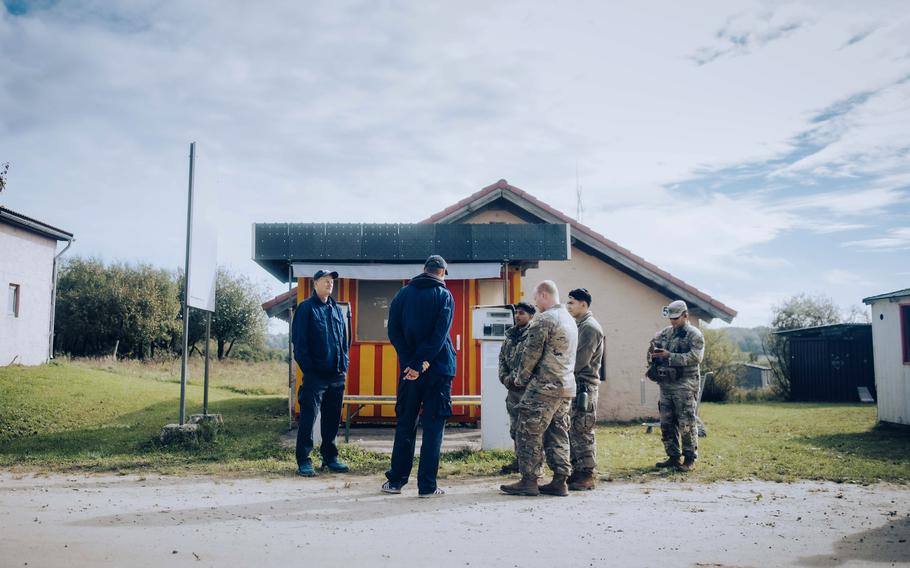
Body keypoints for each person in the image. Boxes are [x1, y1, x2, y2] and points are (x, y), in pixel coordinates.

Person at [382, 255, 457, 498]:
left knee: (406, 424)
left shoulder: (402, 295)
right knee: (434, 427)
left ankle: (395, 481)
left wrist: (410, 363)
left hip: (409, 372)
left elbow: (393, 331)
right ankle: (427, 486)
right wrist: (422, 362)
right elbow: (439, 334)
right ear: (443, 272)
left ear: (424, 270)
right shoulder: (445, 296)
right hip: (439, 370)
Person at [501, 280, 578, 497]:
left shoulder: (544, 319)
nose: (535, 302)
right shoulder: (569, 319)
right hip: (565, 386)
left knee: (527, 431)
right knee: (558, 432)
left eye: (536, 298)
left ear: (543, 295)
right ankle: (560, 480)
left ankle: (529, 480)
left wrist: (519, 380)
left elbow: (531, 354)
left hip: (544, 386)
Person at [292, 269, 350, 477]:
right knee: (309, 417)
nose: (329, 283)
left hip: (337, 374)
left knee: (332, 418)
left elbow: (344, 340)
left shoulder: (335, 308)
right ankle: (304, 460)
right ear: (314, 283)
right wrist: (309, 369)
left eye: (331, 281)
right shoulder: (306, 309)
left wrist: (344, 362)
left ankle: (330, 457)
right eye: (325, 280)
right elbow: (299, 344)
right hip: (315, 375)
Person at [649, 300, 705, 472]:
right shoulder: (665, 333)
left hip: (685, 384)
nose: (673, 321)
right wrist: (654, 354)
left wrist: (670, 356)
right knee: (667, 422)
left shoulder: (694, 334)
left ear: (685, 315)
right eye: (671, 318)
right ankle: (673, 457)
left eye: (676, 318)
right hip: (667, 384)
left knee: (686, 422)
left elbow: (696, 357)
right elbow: (654, 344)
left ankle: (689, 458)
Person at [565, 288, 604, 490]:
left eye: (572, 302)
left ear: (584, 304)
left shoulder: (589, 327)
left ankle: (587, 474)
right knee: (573, 429)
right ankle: (577, 470)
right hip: (576, 384)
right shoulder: (578, 325)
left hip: (584, 386)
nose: (568, 306)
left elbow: (579, 361)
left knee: (583, 429)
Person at [498, 302, 536, 474]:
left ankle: (534, 465)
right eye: (516, 313)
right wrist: (505, 378)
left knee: (529, 429)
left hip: (528, 389)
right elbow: (502, 360)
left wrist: (521, 380)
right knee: (515, 428)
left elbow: (533, 362)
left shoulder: (533, 335)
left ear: (531, 316)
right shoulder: (510, 336)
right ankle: (519, 460)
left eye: (522, 313)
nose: (517, 316)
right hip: (512, 390)